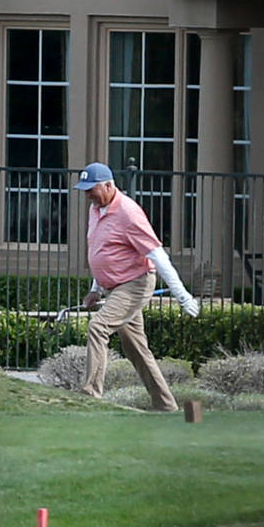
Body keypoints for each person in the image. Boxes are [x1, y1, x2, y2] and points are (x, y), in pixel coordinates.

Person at [75, 162, 200, 411]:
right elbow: (101, 252)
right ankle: (166, 407)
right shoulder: (95, 209)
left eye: (92, 189)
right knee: (136, 350)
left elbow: (158, 256)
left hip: (134, 284)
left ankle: (90, 395)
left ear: (109, 185)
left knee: (98, 327)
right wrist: (95, 289)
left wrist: (183, 297)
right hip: (114, 287)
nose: (88, 194)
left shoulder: (129, 213)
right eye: (85, 189)